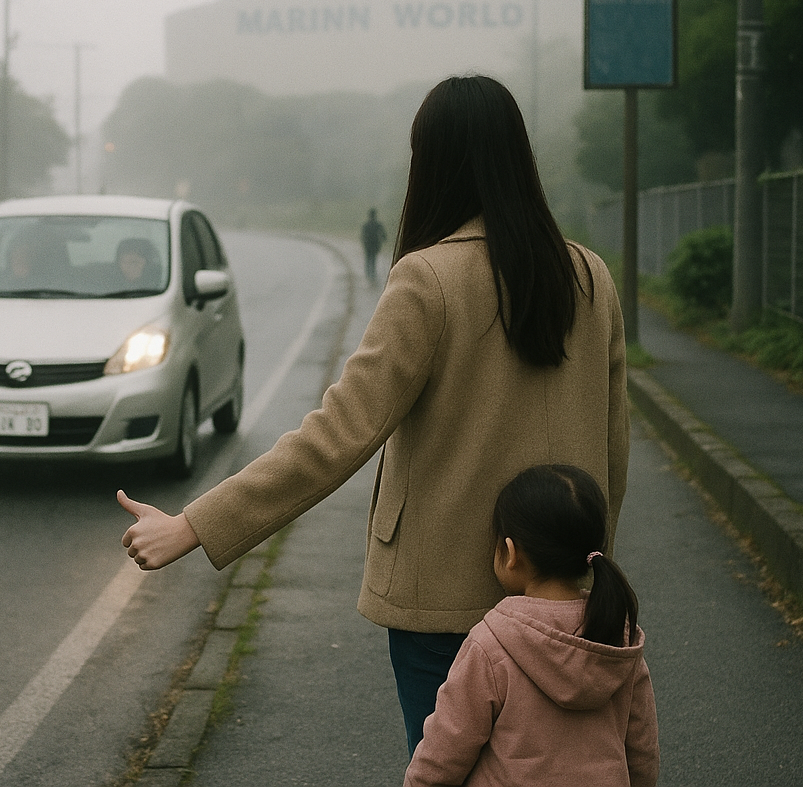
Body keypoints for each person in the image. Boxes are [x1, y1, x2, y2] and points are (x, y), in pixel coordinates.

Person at [117, 74, 629, 753]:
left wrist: (193, 525)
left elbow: (339, 433)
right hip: (568, 596)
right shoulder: (590, 276)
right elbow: (612, 449)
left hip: (441, 595)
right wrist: (585, 571)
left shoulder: (428, 279)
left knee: (451, 768)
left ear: (432, 163)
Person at [404, 464, 659, 787]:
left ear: (510, 552)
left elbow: (446, 751)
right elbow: (642, 750)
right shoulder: (617, 638)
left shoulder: (492, 643)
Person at [360, 207, 387, 284]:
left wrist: (364, 243)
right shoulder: (378, 224)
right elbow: (383, 234)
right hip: (375, 245)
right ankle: (372, 274)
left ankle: (368, 274)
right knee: (373, 259)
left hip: (368, 245)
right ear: (375, 215)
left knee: (368, 259)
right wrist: (384, 239)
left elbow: (362, 236)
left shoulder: (366, 225)